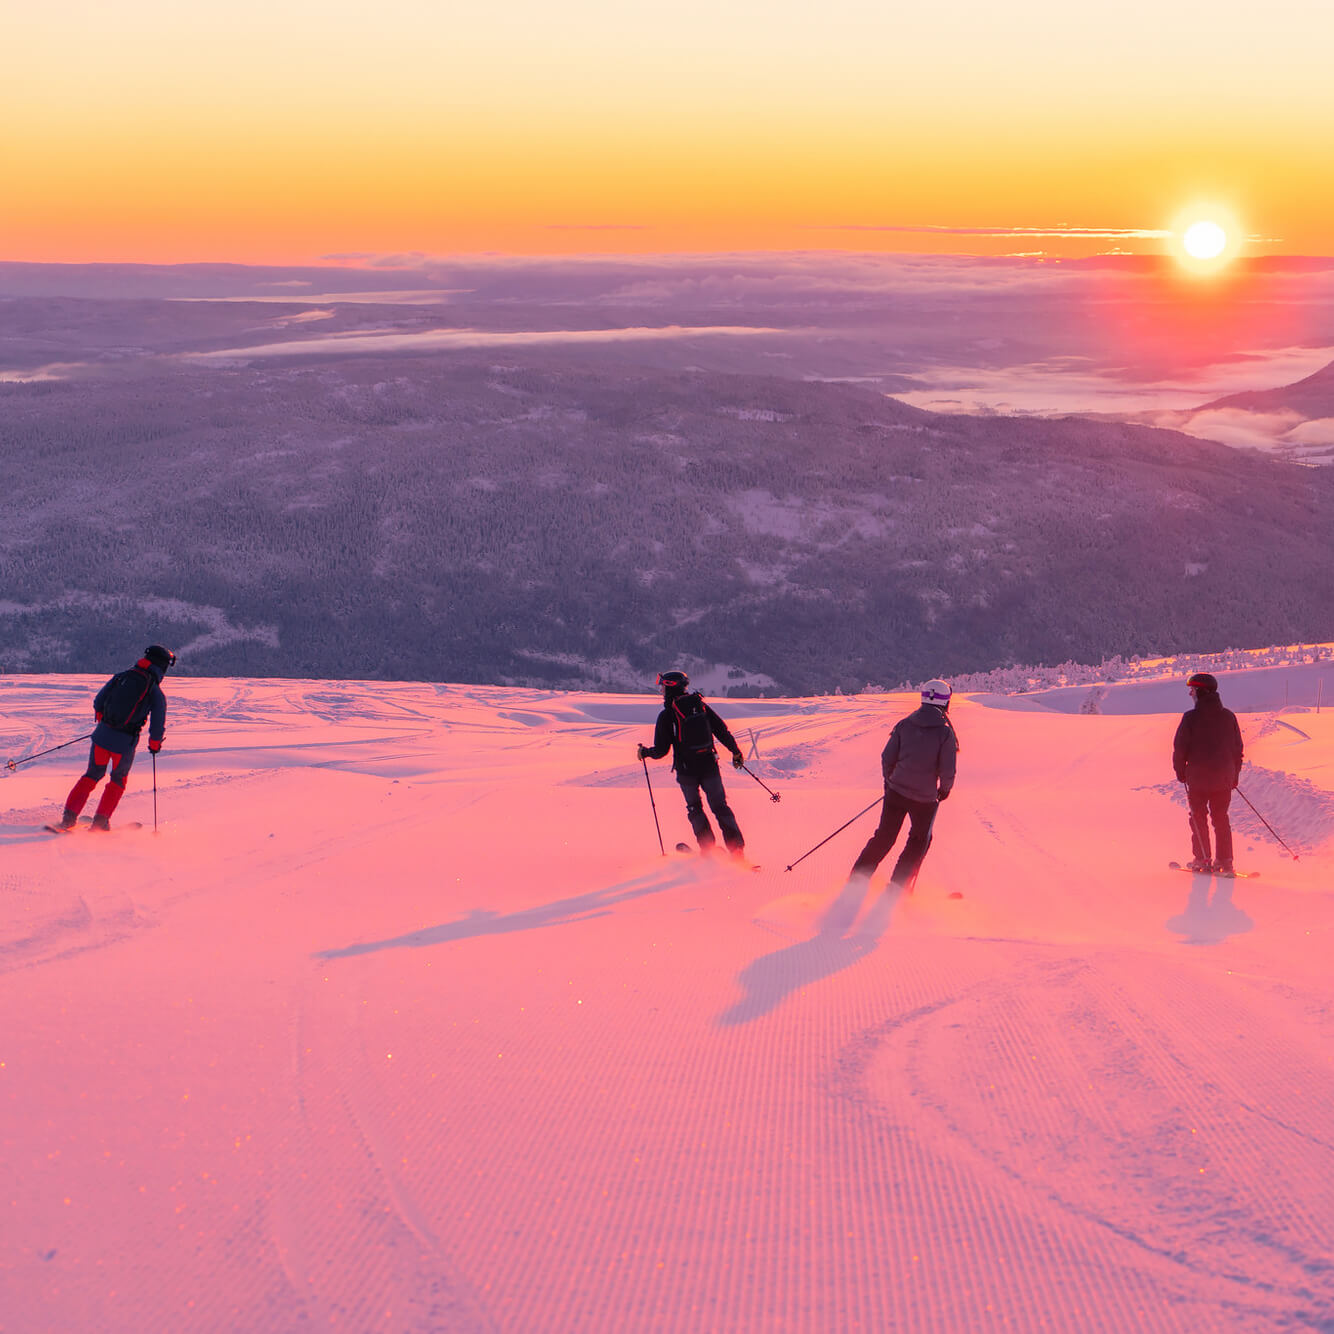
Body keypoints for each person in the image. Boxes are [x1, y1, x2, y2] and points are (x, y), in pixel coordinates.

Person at [847, 679, 958, 889]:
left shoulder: (905, 724)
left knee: (884, 837)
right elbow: (947, 770)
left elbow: (887, 757)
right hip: (925, 800)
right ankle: (897, 887)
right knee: (918, 841)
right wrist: (944, 790)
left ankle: (857, 880)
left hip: (896, 793)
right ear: (945, 702)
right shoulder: (945, 733)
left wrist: (890, 781)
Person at [56, 645, 175, 831]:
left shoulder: (122, 676)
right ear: (162, 667)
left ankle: (68, 819)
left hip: (101, 738)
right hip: (124, 745)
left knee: (91, 776)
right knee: (117, 781)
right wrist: (154, 745)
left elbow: (98, 702)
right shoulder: (155, 692)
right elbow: (157, 723)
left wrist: (106, 724)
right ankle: (100, 823)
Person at [637, 670, 747, 859]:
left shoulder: (667, 715)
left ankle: (708, 850)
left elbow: (661, 751)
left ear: (670, 687)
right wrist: (736, 752)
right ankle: (736, 850)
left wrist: (645, 752)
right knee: (720, 806)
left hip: (686, 770)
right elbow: (721, 730)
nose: (661, 690)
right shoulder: (701, 706)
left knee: (695, 808)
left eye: (662, 686)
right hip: (709, 765)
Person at [1172, 671, 1243, 873]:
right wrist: (1234, 776)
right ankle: (1225, 860)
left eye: (1192, 690)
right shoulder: (1229, 717)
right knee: (1221, 818)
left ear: (1201, 692)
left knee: (1198, 817)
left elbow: (1180, 748)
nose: (1190, 694)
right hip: (1223, 779)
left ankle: (1202, 859)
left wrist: (1180, 773)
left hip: (1198, 779)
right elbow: (1237, 750)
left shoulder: (1190, 718)